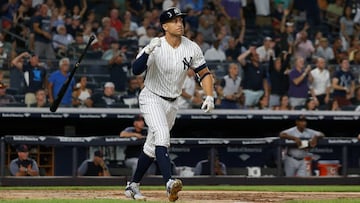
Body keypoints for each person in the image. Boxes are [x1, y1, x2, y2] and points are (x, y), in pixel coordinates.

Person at [124, 7, 215, 202]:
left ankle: (133, 185)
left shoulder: (191, 47)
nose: (179, 23)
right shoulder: (156, 45)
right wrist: (147, 51)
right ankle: (169, 183)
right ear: (165, 26)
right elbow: (135, 70)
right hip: (152, 97)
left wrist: (209, 95)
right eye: (174, 21)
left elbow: (204, 73)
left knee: (151, 147)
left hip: (173, 102)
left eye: (181, 20)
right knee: (163, 135)